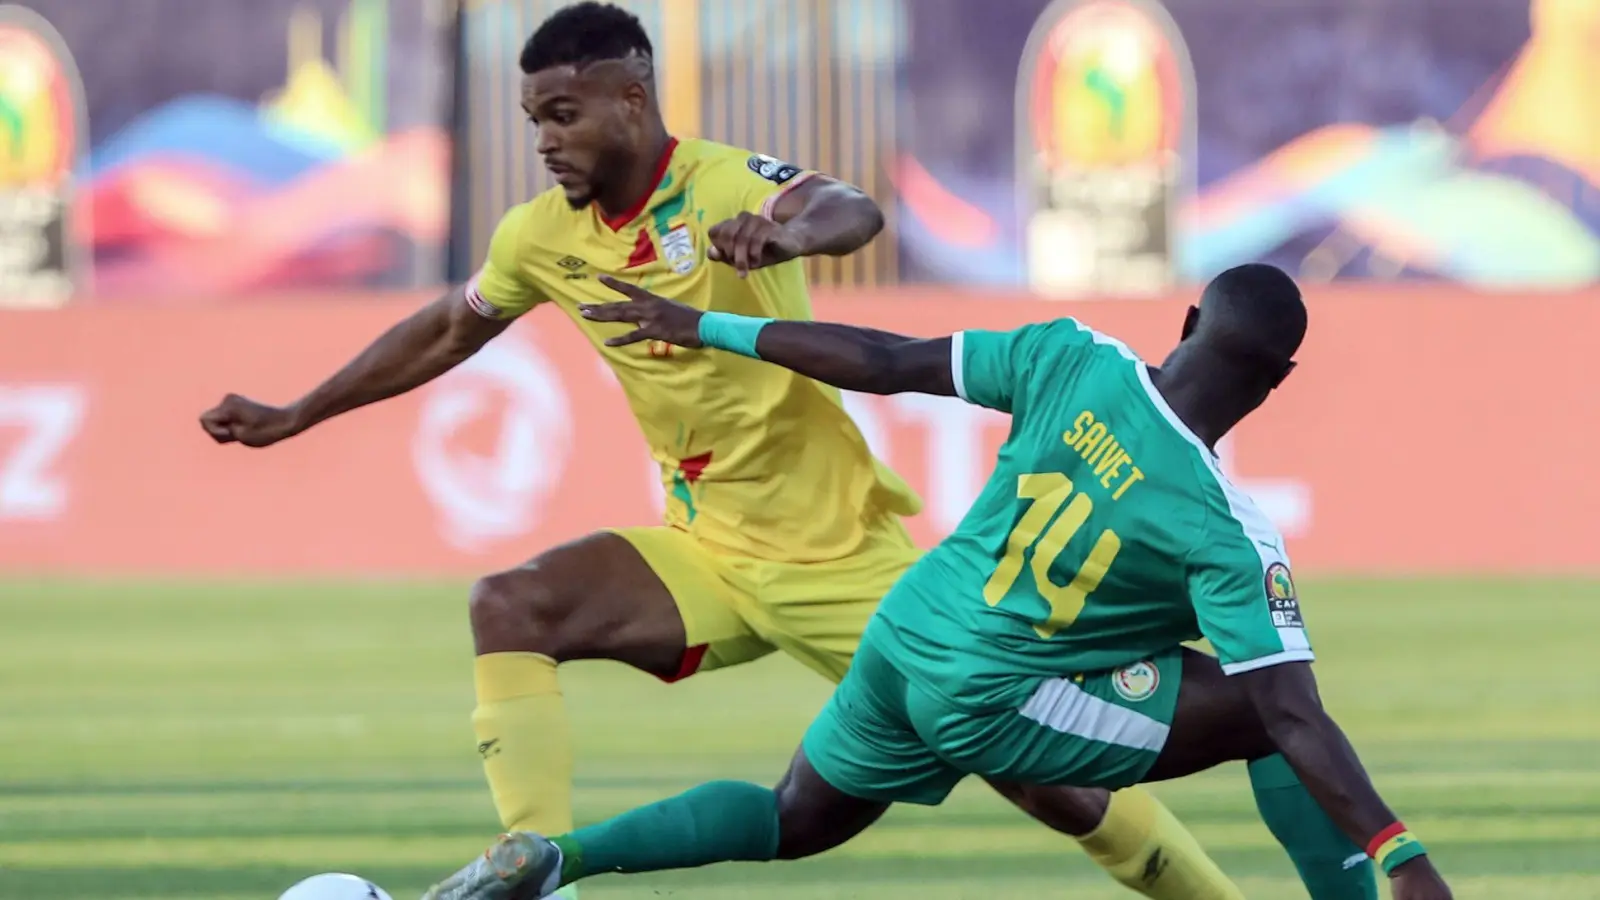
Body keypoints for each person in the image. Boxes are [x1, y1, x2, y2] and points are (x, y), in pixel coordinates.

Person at [198, 4, 1248, 899]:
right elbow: (447, 327)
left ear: (631, 100)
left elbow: (845, 207)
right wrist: (299, 411)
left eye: (563, 115)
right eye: (534, 122)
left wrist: (788, 235)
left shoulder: (718, 187)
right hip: (706, 552)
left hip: (846, 567)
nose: (547, 141)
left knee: (1053, 787)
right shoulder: (538, 238)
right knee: (510, 606)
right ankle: (537, 864)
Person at [421, 263, 1454, 900]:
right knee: (1269, 713)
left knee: (794, 819)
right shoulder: (1226, 532)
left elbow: (881, 358)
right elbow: (1293, 713)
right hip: (992, 697)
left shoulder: (1070, 357)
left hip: (904, 627)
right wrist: (1395, 843)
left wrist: (710, 327)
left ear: (1186, 322)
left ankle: (560, 857)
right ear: (1275, 384)